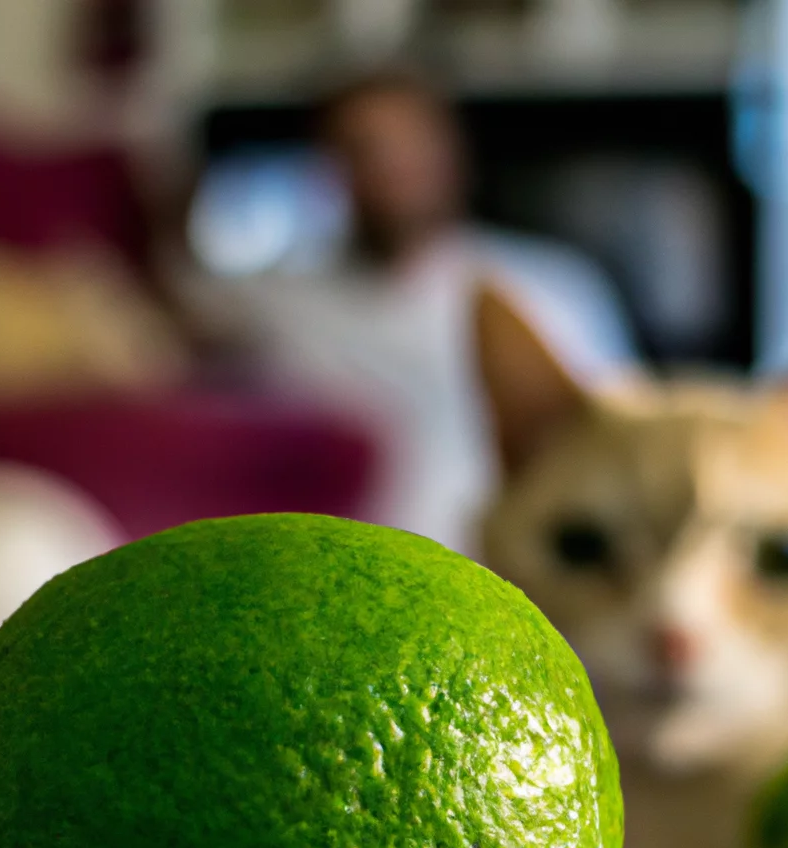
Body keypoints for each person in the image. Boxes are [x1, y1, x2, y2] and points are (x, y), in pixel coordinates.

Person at [194, 68, 639, 555]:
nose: (390, 166)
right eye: (363, 148)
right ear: (328, 165)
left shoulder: (552, 290)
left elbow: (620, 450)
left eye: (409, 144)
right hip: (322, 579)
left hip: (498, 578)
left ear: (450, 152)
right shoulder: (273, 302)